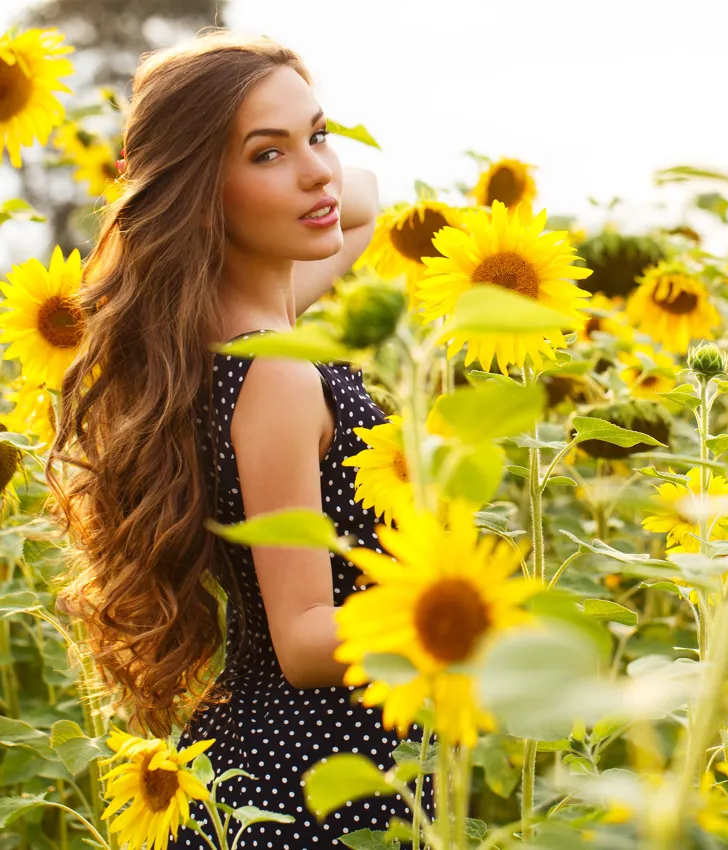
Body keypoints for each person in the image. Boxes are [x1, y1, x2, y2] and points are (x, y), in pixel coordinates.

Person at [44, 29, 435, 847]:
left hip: (269, 765)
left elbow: (360, 202)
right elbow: (305, 639)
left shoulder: (222, 334)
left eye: (318, 135)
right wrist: (458, 615)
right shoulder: (278, 374)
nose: (318, 173)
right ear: (200, 192)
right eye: (266, 154)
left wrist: (292, 158)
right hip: (317, 786)